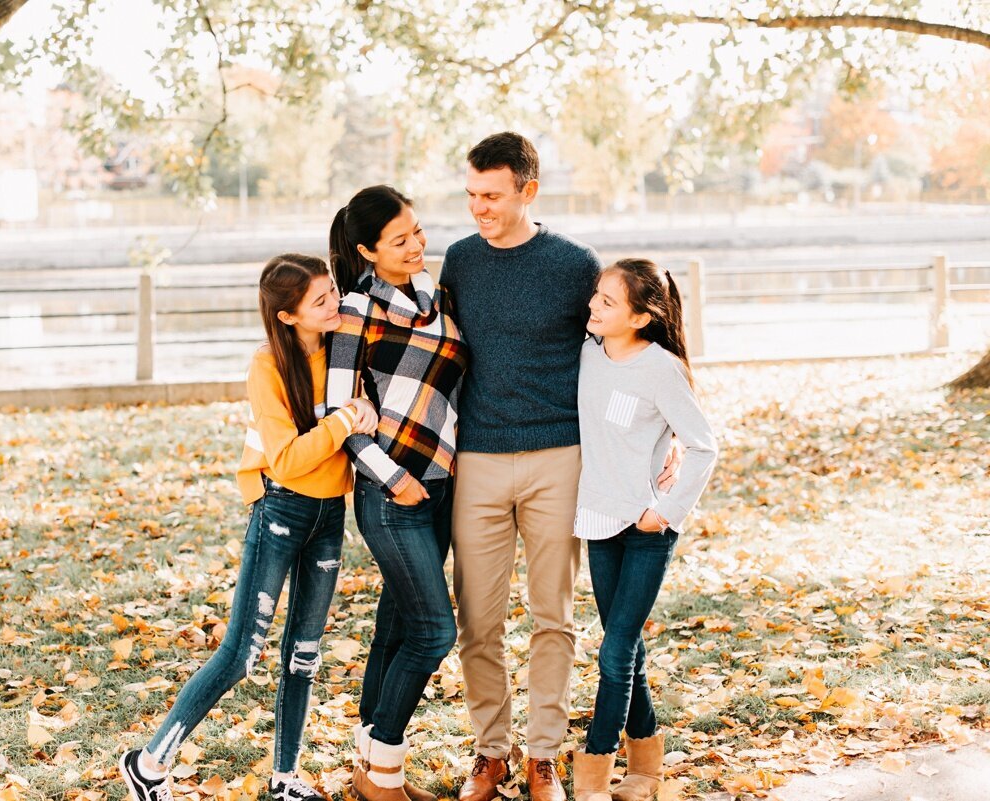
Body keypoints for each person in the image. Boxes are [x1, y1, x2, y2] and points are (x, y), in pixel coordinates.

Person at [440, 132, 682, 801]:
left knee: (553, 615)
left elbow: (632, 343)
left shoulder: (576, 265)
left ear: (528, 191)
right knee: (478, 620)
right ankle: (492, 751)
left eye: (491, 195)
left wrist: (670, 435)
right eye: (471, 195)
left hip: (560, 459)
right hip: (479, 460)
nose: (478, 207)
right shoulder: (459, 261)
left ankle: (544, 756)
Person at [119, 253, 378, 801]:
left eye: (333, 290)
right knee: (241, 653)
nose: (334, 302)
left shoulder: (341, 350)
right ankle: (148, 762)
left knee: (304, 655)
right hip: (281, 512)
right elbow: (285, 460)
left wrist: (359, 412)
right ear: (289, 316)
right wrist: (347, 419)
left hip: (330, 513)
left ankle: (285, 780)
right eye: (320, 299)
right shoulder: (266, 367)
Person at [326, 185, 470, 801]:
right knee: (434, 633)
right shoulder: (359, 308)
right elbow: (335, 411)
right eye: (399, 239)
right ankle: (383, 769)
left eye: (417, 230)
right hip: (391, 496)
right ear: (367, 250)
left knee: (395, 624)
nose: (416, 245)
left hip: (442, 487)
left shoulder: (436, 293)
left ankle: (373, 769)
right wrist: (394, 477)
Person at [570, 259, 717, 801]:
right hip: (598, 519)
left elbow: (703, 446)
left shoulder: (662, 369)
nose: (593, 307)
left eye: (608, 302)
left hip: (646, 527)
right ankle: (646, 766)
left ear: (640, 315)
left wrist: (668, 510)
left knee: (614, 652)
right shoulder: (588, 353)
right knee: (625, 649)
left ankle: (592, 778)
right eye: (596, 297)